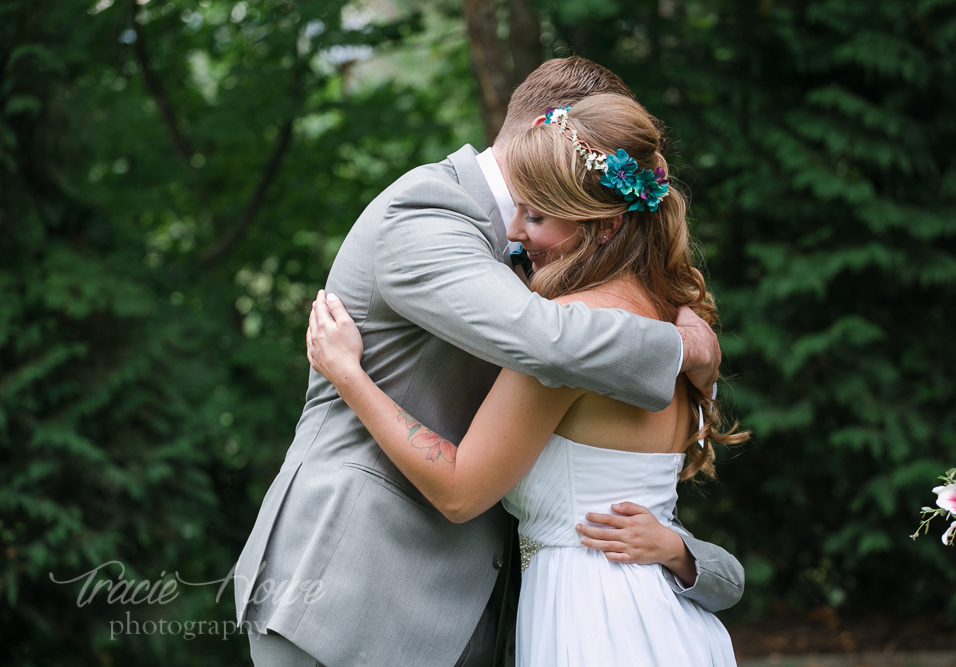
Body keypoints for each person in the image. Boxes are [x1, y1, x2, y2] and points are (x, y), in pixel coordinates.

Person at [234, 57, 743, 667]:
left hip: (547, 619)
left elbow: (549, 361)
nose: (519, 230)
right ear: (539, 125)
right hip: (357, 598)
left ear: (603, 217)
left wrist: (351, 377)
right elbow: (546, 342)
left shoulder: (585, 311)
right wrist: (686, 343)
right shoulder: (426, 213)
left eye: (538, 213)